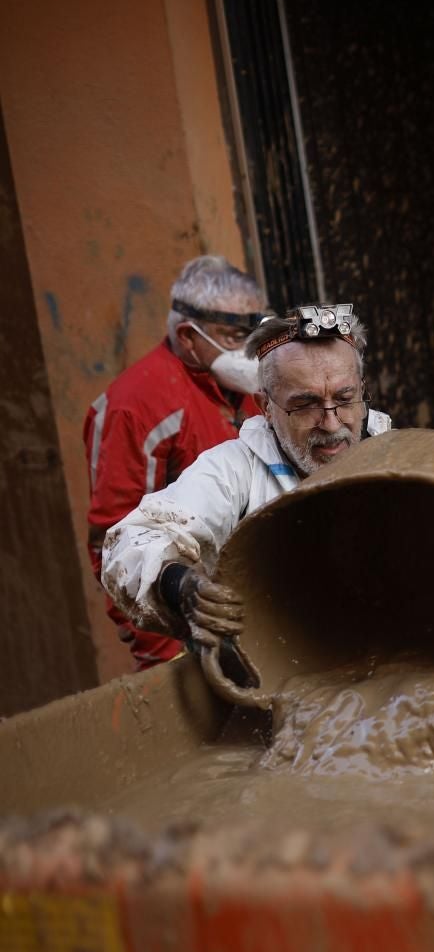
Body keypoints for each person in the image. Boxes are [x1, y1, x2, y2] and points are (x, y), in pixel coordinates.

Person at [99, 303, 434, 676]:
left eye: (344, 400)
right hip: (277, 684)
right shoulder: (233, 472)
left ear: (363, 389)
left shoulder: (412, 466)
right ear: (265, 406)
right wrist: (178, 585)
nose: (331, 422)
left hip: (402, 681)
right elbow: (131, 541)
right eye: (304, 405)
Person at [83, 255, 268, 669]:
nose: (251, 351)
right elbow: (115, 548)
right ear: (188, 335)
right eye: (236, 336)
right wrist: (168, 656)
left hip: (262, 606)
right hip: (188, 624)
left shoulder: (253, 391)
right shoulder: (134, 408)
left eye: (256, 332)